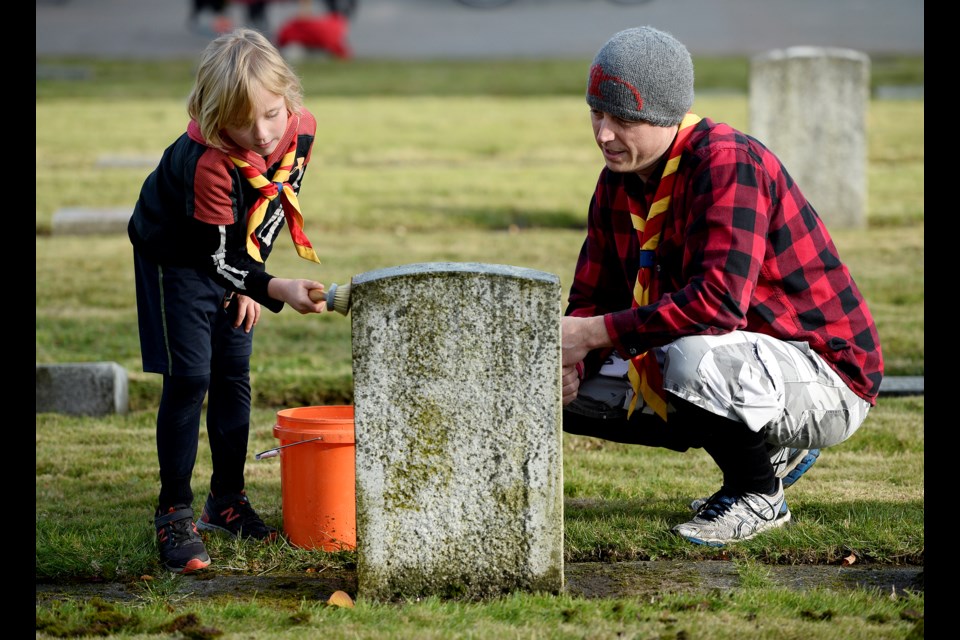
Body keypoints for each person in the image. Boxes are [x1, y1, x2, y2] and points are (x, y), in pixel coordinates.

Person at [561, 26, 883, 547]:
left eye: (622, 119)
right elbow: (592, 298)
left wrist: (593, 333)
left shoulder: (727, 161)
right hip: (735, 358)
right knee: (551, 391)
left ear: (666, 115)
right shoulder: (616, 180)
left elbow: (716, 305)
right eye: (596, 113)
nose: (603, 134)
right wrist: (572, 364)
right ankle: (758, 444)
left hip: (827, 375)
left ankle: (758, 493)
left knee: (685, 354)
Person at [128, 28, 328, 573]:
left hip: (228, 254)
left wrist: (251, 280)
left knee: (234, 370)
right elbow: (212, 257)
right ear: (216, 117)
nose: (262, 133)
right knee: (191, 377)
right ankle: (173, 510)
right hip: (177, 255)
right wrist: (267, 285)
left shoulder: (300, 131)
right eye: (243, 121)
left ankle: (228, 500)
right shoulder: (209, 161)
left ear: (288, 97)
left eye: (271, 114)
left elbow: (273, 205)